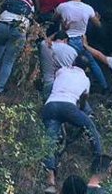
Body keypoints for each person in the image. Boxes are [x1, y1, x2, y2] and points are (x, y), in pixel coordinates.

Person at [41, 63, 103, 193]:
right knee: (90, 126)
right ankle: (100, 158)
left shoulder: (62, 71)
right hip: (69, 106)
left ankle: (50, 182)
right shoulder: (85, 80)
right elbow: (83, 100)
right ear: (85, 69)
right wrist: (79, 114)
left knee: (49, 142)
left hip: (50, 105)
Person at [55, 0, 108, 91]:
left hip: (66, 40)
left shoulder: (62, 6)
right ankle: (104, 86)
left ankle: (66, 87)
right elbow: (98, 25)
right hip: (82, 40)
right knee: (92, 63)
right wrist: (97, 18)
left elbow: (54, 18)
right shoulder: (88, 8)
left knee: (67, 65)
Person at [0, 0, 35, 96]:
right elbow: (31, 19)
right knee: (9, 61)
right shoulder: (31, 3)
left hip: (3, 24)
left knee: (0, 44)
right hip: (19, 30)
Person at [39, 29, 79, 100]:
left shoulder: (44, 46)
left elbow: (45, 40)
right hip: (63, 86)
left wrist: (55, 33)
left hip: (49, 84)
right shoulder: (73, 52)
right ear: (65, 40)